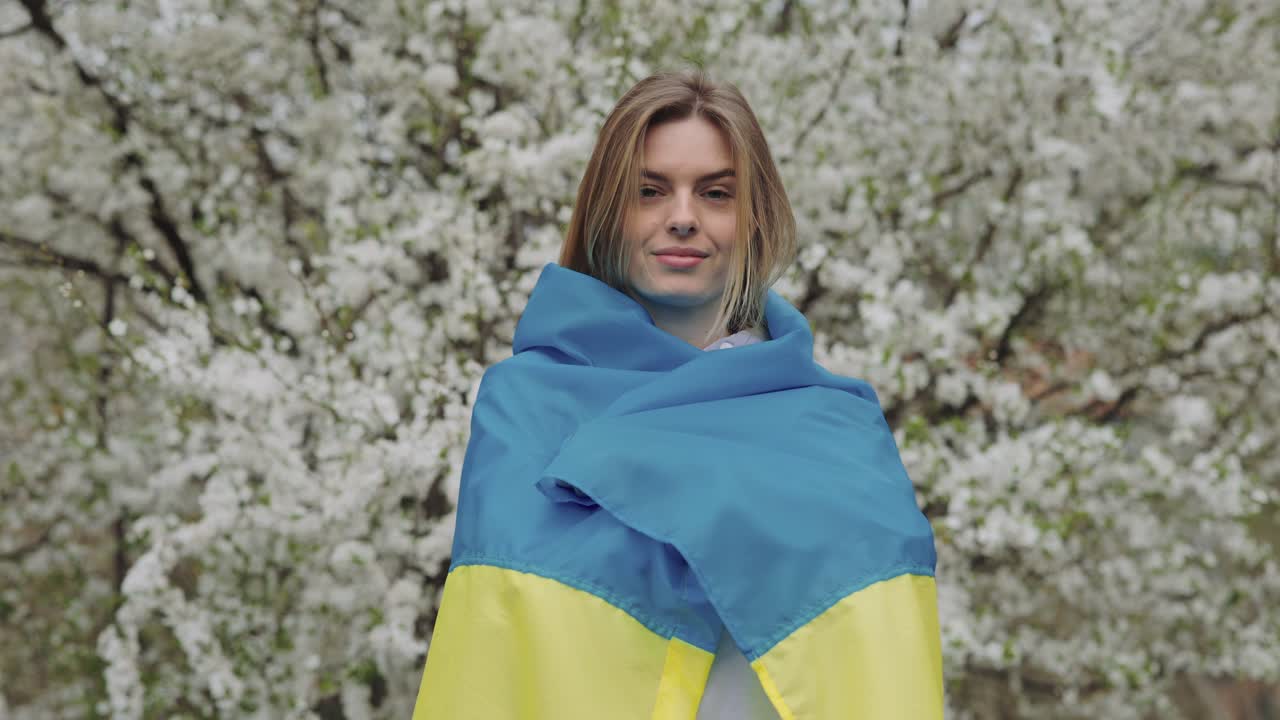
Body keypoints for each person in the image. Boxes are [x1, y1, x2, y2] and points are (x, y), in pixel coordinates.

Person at [411, 69, 943, 719]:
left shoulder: (840, 433)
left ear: (755, 217)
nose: (683, 218)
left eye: (716, 193)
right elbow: (490, 657)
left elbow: (883, 670)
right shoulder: (524, 408)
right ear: (608, 211)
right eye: (650, 191)